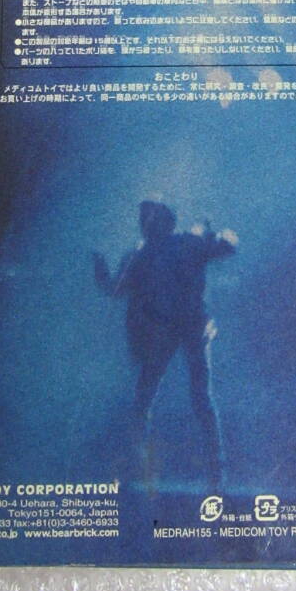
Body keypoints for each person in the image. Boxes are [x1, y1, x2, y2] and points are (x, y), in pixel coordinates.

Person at [93, 200, 237, 487]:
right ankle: (148, 467)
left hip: (186, 327)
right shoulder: (144, 253)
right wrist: (98, 265)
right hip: (168, 329)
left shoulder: (178, 245)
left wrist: (215, 236)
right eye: (144, 217)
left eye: (151, 217)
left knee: (190, 397)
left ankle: (214, 470)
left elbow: (227, 247)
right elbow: (116, 288)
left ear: (166, 222)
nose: (145, 222)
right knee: (156, 397)